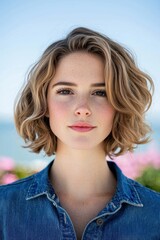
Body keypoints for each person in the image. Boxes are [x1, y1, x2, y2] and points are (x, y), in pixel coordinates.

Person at [0, 27, 160, 240]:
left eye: (100, 92)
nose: (82, 108)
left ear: (120, 104)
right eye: (65, 91)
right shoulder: (3, 209)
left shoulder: (156, 214)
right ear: (44, 103)